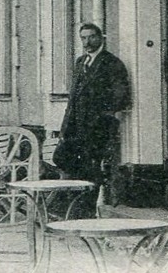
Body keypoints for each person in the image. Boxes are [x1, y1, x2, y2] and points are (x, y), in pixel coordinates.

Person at [53, 23, 131, 193]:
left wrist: (101, 114)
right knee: (67, 163)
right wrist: (64, 128)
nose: (87, 42)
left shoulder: (111, 63)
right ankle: (73, 205)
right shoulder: (80, 62)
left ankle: (88, 208)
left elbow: (121, 96)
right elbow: (73, 97)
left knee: (92, 170)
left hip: (97, 128)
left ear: (100, 38)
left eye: (91, 37)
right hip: (75, 127)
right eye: (83, 38)